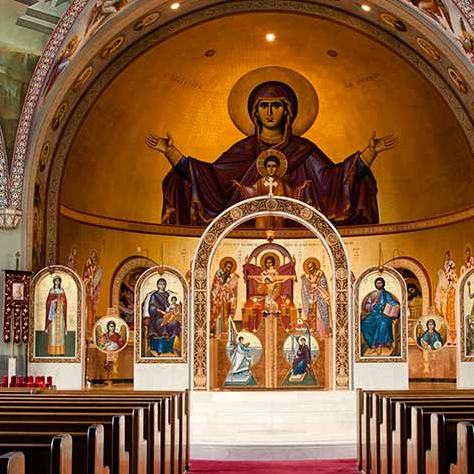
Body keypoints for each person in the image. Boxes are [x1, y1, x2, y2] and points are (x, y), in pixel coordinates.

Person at [145, 79, 394, 225]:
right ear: (255, 112)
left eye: (276, 105)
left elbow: (336, 180)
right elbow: (207, 177)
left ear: (288, 111)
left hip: (300, 229)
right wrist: (171, 152)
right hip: (244, 229)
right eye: (264, 106)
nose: (270, 112)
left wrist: (370, 152)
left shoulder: (304, 150)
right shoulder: (243, 150)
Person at [359, 276, 400, 356]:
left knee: (383, 324)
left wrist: (397, 305)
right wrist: (372, 305)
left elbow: (392, 302)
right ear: (375, 284)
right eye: (377, 283)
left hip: (384, 314)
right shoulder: (372, 294)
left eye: (380, 283)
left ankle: (379, 346)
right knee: (364, 323)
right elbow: (366, 306)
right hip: (373, 314)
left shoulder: (386, 295)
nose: (379, 284)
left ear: (383, 284)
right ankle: (372, 345)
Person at [144, 277, 182, 356]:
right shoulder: (154, 295)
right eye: (160, 284)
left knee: (175, 324)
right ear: (157, 285)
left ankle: (169, 348)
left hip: (169, 315)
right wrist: (161, 311)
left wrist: (171, 311)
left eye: (164, 284)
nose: (162, 285)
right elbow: (152, 307)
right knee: (161, 323)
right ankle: (159, 348)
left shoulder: (168, 295)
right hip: (157, 316)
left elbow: (172, 305)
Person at [300, 258, 331, 340]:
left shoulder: (320, 274)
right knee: (312, 316)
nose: (310, 269)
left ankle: (322, 334)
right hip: (311, 300)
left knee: (320, 315)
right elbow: (304, 290)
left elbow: (323, 286)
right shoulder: (307, 277)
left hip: (320, 299)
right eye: (309, 268)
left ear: (315, 267)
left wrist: (317, 288)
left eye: (312, 267)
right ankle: (312, 332)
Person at [211, 258, 240, 338]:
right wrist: (221, 289)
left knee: (225, 316)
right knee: (218, 316)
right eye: (227, 267)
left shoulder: (232, 278)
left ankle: (225, 333)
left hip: (226, 300)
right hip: (218, 299)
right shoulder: (219, 274)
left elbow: (233, 291)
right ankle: (217, 334)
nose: (228, 269)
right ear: (224, 266)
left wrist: (228, 291)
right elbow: (215, 286)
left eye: (230, 267)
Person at [45, 276, 68, 356]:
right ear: (54, 282)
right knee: (53, 332)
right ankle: (51, 351)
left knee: (60, 331)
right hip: (53, 315)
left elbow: (65, 302)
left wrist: (60, 301)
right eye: (56, 281)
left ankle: (61, 351)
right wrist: (52, 302)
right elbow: (48, 302)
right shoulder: (51, 290)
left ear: (60, 282)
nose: (57, 282)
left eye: (58, 281)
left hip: (60, 314)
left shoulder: (62, 291)